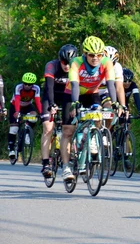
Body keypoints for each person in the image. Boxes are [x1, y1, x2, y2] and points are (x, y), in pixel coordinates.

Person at [62, 36, 118, 181]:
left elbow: (111, 84)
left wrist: (115, 103)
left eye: (99, 55)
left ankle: (92, 138)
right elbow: (74, 85)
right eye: (92, 55)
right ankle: (66, 166)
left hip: (92, 93)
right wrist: (75, 103)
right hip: (72, 94)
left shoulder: (106, 63)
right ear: (85, 54)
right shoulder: (76, 62)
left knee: (99, 114)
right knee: (68, 130)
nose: (95, 58)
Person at [40, 44, 78, 178]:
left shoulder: (78, 67)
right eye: (64, 62)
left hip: (67, 97)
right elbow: (49, 87)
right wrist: (51, 105)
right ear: (59, 60)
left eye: (70, 63)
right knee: (48, 127)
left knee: (71, 127)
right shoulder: (52, 66)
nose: (67, 66)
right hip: (51, 96)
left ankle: (72, 154)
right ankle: (45, 163)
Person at [7, 73, 42, 159]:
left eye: (29, 84)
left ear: (33, 84)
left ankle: (27, 133)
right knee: (14, 128)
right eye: (25, 83)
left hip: (27, 106)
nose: (26, 86)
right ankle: (11, 149)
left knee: (34, 118)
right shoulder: (18, 87)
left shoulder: (36, 88)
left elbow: (37, 101)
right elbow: (18, 100)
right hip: (15, 105)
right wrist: (17, 112)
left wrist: (42, 113)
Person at [99, 46, 127, 120]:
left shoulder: (117, 67)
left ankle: (106, 131)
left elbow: (119, 87)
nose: (109, 66)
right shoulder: (95, 65)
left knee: (110, 110)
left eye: (112, 63)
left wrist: (123, 105)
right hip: (91, 92)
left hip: (104, 93)